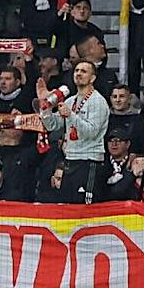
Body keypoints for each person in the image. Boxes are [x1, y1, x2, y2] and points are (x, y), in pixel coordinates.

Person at [43, 58, 110, 202]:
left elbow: (91, 132)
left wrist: (71, 115)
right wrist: (46, 109)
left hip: (89, 161)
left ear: (93, 78)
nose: (78, 74)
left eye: (84, 71)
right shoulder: (70, 101)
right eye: (77, 71)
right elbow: (52, 125)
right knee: (68, 205)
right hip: (70, 159)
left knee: (86, 206)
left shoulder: (98, 101)